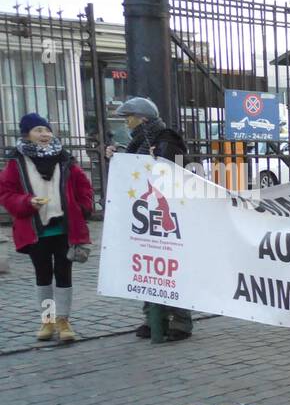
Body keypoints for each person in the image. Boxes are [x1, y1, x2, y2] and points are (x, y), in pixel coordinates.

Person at [106, 96, 194, 342]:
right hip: (144, 216)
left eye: (129, 118)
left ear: (142, 118)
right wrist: (116, 157)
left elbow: (176, 168)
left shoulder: (166, 138)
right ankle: (152, 317)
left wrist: (162, 156)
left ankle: (181, 321)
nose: (127, 123)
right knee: (147, 268)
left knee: (169, 270)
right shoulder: (136, 142)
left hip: (165, 217)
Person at [1, 113, 94, 342]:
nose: (44, 134)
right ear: (27, 135)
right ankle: (47, 320)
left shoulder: (65, 159)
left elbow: (84, 187)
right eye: (38, 130)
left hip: (65, 228)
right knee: (42, 275)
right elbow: (6, 193)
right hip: (36, 229)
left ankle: (63, 320)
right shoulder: (16, 162)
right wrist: (26, 202)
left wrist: (82, 208)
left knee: (64, 274)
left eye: (46, 129)